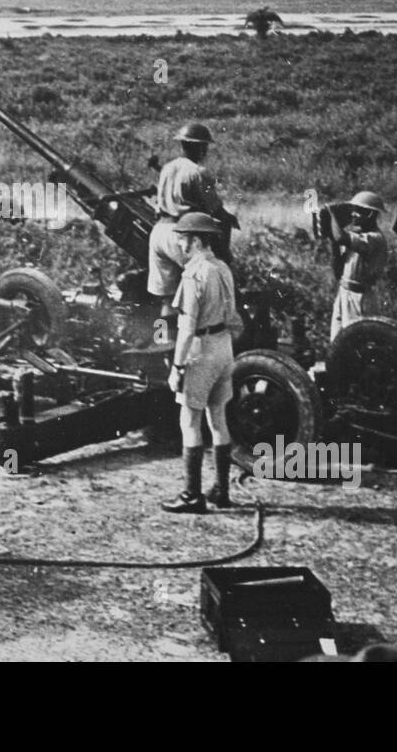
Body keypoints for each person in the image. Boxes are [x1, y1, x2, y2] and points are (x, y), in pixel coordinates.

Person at [161, 212, 244, 514]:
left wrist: (177, 368)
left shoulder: (193, 275)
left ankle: (191, 496)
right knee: (218, 419)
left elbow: (185, 329)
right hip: (224, 347)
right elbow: (233, 315)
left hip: (201, 351)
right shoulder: (222, 268)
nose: (180, 243)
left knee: (190, 423)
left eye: (183, 238)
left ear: (196, 240)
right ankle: (222, 491)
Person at [148, 124, 229, 318]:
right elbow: (215, 208)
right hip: (185, 235)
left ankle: (167, 343)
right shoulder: (198, 172)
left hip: (160, 233)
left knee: (168, 298)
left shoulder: (167, 168)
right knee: (203, 290)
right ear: (201, 148)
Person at [322, 191, 388, 341]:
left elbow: (340, 237)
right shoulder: (356, 236)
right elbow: (338, 271)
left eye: (360, 212)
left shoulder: (374, 238)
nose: (354, 215)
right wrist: (332, 240)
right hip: (344, 292)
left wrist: (332, 215)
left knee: (355, 342)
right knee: (337, 341)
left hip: (360, 297)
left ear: (371, 214)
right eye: (354, 211)